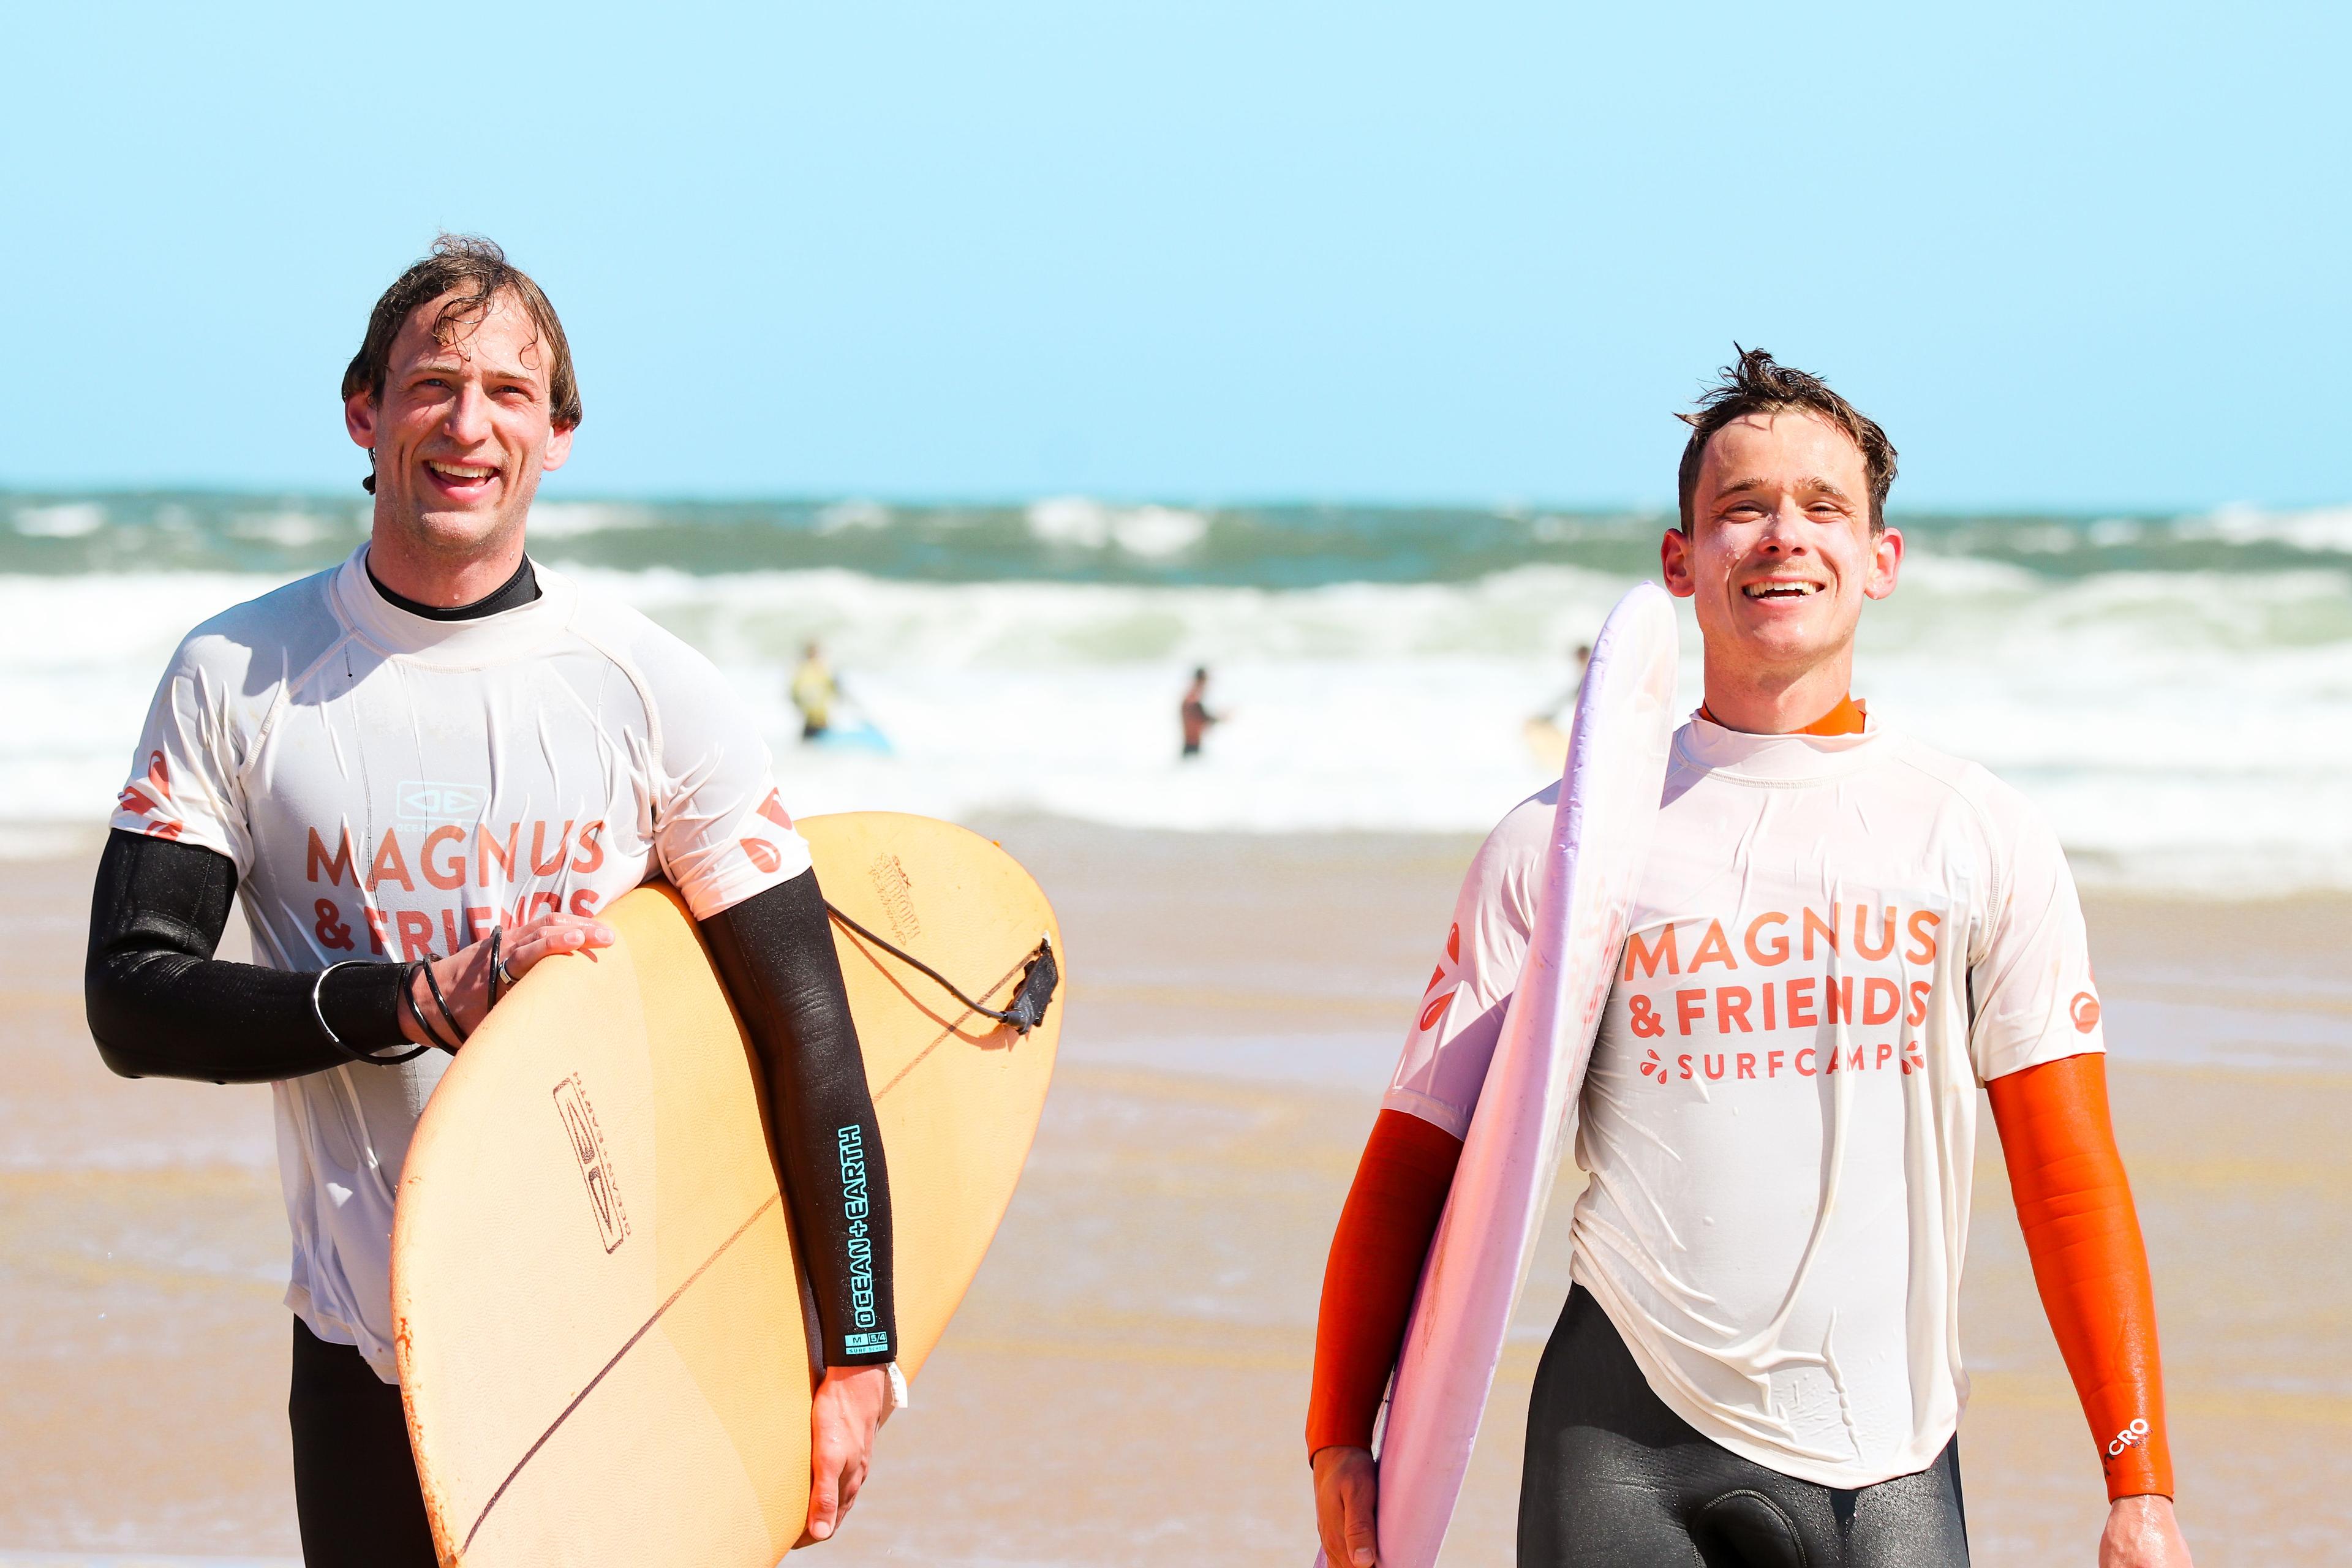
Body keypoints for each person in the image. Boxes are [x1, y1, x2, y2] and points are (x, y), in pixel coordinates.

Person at [85, 236, 902, 1567]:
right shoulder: (239, 677)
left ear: (561, 435)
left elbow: (814, 1040)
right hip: (366, 1358)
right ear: (363, 410)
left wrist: (859, 1353)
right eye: (433, 384)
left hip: (631, 1344)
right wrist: (406, 1000)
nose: (470, 424)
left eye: (512, 394)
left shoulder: (651, 691)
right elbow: (132, 994)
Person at [1307, 350, 2193, 1568]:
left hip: (1887, 1456)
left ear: (1881, 560)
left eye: (1825, 506)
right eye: (1744, 508)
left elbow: (2068, 1173)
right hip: (1620, 1448)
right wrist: (1338, 1432)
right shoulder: (1562, 843)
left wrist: (2139, 1482)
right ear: (1681, 561)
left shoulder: (1976, 831)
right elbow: (1419, 1155)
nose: (1786, 535)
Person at [793, 639, 840, 741]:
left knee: (813, 750)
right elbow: (795, 695)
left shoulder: (823, 670)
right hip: (812, 720)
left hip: (821, 719)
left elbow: (834, 688)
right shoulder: (805, 671)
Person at [1180, 666, 1221, 759]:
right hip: (1192, 742)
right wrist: (1217, 719)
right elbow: (1199, 715)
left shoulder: (1192, 695)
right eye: (1206, 679)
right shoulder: (1193, 696)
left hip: (1193, 740)